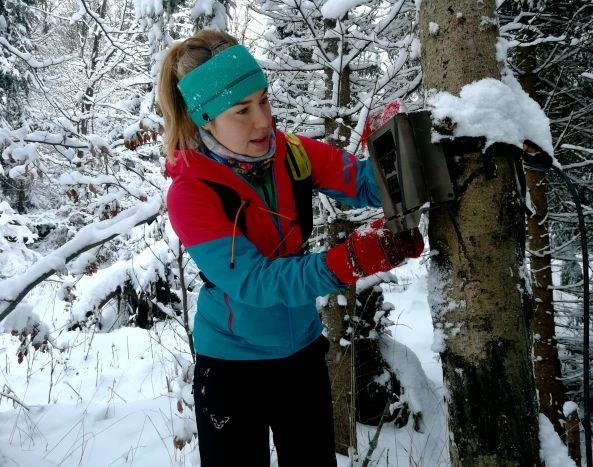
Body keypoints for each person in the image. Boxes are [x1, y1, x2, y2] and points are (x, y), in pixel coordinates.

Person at [158, 29, 424, 467]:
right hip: (231, 366)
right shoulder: (191, 193)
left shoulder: (291, 152)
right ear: (206, 118)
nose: (263, 121)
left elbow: (359, 184)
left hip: (301, 356)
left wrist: (399, 157)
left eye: (263, 100)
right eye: (242, 110)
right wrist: (351, 260)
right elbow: (254, 282)